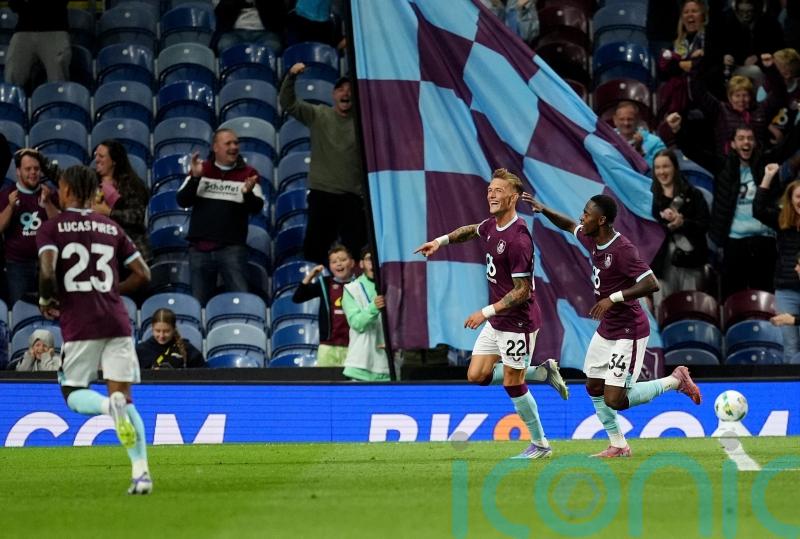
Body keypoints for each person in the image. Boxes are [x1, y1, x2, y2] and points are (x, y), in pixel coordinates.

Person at [522, 192, 702, 457]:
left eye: (587, 213)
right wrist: (543, 208)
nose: (582, 218)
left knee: (615, 399)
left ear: (602, 220)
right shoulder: (592, 237)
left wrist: (613, 298)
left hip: (629, 330)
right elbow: (569, 225)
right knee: (594, 385)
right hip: (609, 328)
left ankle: (675, 381)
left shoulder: (622, 250)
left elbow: (651, 283)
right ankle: (618, 444)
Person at [415, 169, 569, 459]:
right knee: (477, 375)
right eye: (489, 190)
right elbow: (472, 230)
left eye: (498, 190)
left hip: (518, 322)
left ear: (513, 197)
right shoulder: (491, 226)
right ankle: (541, 372)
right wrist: (440, 241)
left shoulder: (519, 239)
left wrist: (484, 312)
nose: (491, 194)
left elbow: (522, 290)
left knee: (513, 382)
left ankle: (541, 444)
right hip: (499, 319)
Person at [36, 165, 153, 494]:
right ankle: (141, 473)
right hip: (116, 320)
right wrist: (112, 290)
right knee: (126, 400)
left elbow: (47, 270)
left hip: (80, 321)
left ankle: (105, 406)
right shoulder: (110, 225)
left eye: (60, 187)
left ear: (69, 191)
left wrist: (47, 297)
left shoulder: (52, 228)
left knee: (73, 394)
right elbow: (143, 273)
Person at [668, 111, 783, 298]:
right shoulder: (722, 165)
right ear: (733, 144)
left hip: (765, 242)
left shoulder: (764, 164)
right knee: (733, 296)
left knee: (766, 296)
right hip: (734, 242)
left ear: (754, 143)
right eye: (741, 139)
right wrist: (677, 130)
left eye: (749, 139)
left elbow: (788, 147)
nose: (746, 142)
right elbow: (693, 151)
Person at [279, 63, 366, 265]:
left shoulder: (363, 122)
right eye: (341, 89)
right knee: (314, 249)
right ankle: (316, 292)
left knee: (356, 250)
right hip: (322, 195)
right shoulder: (319, 114)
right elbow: (288, 102)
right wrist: (291, 75)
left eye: (351, 90)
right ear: (333, 94)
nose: (346, 93)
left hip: (351, 198)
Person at [176, 128, 265, 306]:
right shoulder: (202, 169)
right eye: (228, 143)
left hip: (232, 250)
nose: (234, 147)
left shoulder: (249, 173)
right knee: (199, 305)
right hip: (200, 250)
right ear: (215, 147)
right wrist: (195, 178)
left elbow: (257, 207)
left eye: (236, 143)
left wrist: (247, 193)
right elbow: (182, 200)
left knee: (242, 303)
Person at [650, 149, 711, 305]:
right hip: (662, 265)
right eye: (658, 167)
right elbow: (647, 232)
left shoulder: (694, 194)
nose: (662, 172)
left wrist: (683, 224)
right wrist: (667, 227)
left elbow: (704, 225)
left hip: (691, 261)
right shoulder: (650, 198)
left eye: (666, 166)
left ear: (675, 168)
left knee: (691, 307)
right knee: (664, 309)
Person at [0, 148, 60, 305]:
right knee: (21, 308)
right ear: (18, 171)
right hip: (17, 266)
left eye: (36, 169)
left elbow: (60, 227)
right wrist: (11, 207)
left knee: (51, 310)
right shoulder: (6, 195)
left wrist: (47, 204)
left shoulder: (50, 194)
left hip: (47, 264)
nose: (33, 173)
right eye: (28, 169)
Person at [754, 163, 800, 363]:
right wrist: (768, 176)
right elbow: (759, 209)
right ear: (790, 199)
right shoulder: (783, 221)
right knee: (790, 347)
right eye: (798, 196)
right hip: (786, 291)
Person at [292, 243, 355, 367]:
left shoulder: (359, 284)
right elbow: (297, 298)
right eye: (334, 262)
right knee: (327, 384)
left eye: (343, 260)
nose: (339, 264)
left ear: (352, 263)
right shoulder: (325, 284)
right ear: (330, 266)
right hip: (328, 346)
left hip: (354, 345)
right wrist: (311, 276)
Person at [93, 140, 151, 262]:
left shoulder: (133, 185)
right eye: (96, 155)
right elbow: (66, 178)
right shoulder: (91, 181)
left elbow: (136, 216)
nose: (96, 160)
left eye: (101, 156)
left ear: (114, 161)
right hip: (103, 252)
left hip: (133, 251)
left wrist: (109, 212)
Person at [341, 247, 390, 381]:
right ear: (361, 263)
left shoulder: (394, 288)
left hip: (388, 366)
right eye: (369, 259)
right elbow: (357, 323)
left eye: (377, 260)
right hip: (360, 367)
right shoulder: (352, 289)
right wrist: (374, 307)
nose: (373, 263)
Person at [4, 0, 70, 90]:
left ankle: (58, 102)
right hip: (24, 29)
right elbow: (14, 4)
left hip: (55, 29)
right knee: (12, 76)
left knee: (58, 81)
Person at [136, 308, 205, 369]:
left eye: (166, 331)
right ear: (152, 329)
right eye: (157, 331)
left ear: (174, 329)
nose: (161, 336)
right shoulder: (141, 350)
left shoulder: (188, 350)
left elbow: (203, 374)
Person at [213, 0, 286, 54]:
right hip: (234, 32)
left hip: (265, 32)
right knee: (225, 45)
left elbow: (280, 12)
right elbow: (220, 12)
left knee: (273, 47)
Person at [613, 101, 666, 169]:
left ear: (638, 120)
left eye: (630, 119)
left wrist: (640, 152)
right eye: (621, 119)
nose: (626, 123)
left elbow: (660, 171)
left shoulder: (656, 143)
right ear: (615, 120)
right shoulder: (606, 140)